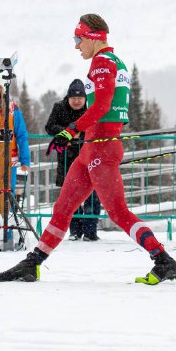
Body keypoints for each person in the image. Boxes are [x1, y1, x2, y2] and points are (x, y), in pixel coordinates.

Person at [0, 13, 176, 284]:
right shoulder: (114, 61)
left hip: (101, 148)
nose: (76, 46)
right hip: (92, 148)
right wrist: (77, 132)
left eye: (78, 39)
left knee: (117, 212)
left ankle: (163, 260)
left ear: (92, 37)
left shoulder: (102, 61)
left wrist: (70, 130)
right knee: (63, 209)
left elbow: (102, 106)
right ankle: (32, 263)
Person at [45, 78, 101, 241]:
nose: (76, 101)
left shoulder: (91, 108)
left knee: (92, 194)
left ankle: (91, 231)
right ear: (68, 98)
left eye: (80, 98)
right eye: (73, 98)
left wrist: (79, 134)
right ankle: (75, 231)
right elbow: (50, 127)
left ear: (85, 99)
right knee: (71, 195)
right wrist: (67, 132)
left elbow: (97, 127)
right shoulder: (59, 108)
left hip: (89, 156)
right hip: (67, 159)